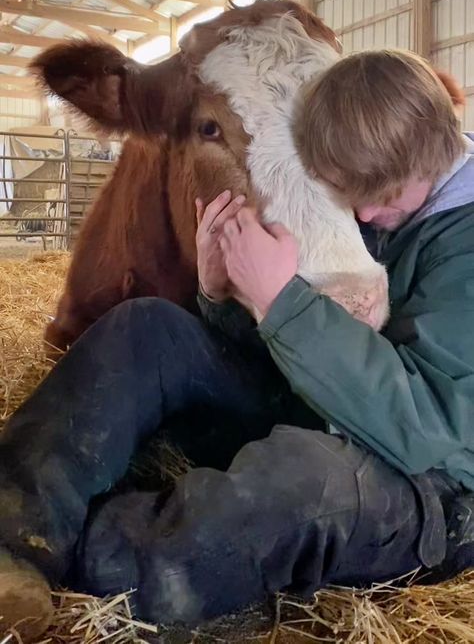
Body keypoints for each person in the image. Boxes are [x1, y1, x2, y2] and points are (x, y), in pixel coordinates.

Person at [0, 49, 473, 640]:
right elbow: (308, 352)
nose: (366, 212)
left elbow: (432, 430)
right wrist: (221, 295)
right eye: (348, 191)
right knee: (146, 325)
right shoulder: (389, 199)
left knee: (297, 483)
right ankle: (14, 527)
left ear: (436, 147)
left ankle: (94, 556)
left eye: (385, 193)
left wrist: (281, 302)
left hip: (436, 483)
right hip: (329, 406)